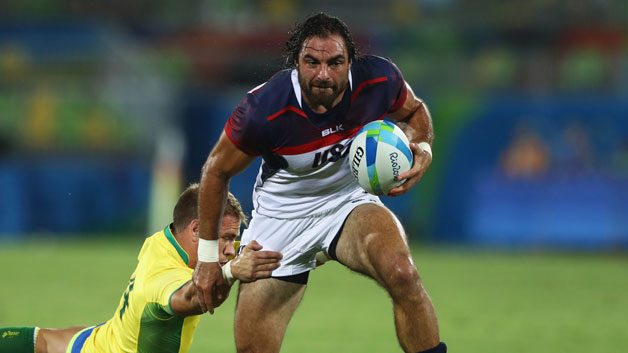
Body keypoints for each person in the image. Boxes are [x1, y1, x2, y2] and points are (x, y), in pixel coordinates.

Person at [192, 12, 446, 353]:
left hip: (348, 202)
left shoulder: (378, 79)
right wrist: (207, 259)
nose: (323, 74)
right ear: (296, 63)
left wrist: (424, 148)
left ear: (351, 62)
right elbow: (215, 171)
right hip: (281, 218)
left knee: (403, 272)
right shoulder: (264, 109)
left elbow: (415, 112)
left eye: (335, 63)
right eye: (312, 62)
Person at [0, 183, 282, 353]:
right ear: (197, 229)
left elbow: (246, 252)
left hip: (99, 341)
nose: (231, 250)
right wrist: (232, 272)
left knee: (45, 343)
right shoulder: (163, 275)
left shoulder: (166, 240)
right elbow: (197, 295)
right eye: (226, 239)